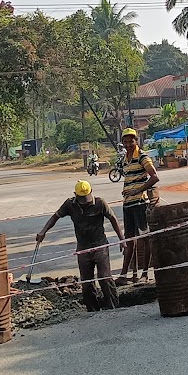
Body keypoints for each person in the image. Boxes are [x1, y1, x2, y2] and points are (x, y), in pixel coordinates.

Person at [34, 179, 123, 312]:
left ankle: (114, 308)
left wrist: (122, 239)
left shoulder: (100, 203)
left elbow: (113, 219)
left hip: (100, 245)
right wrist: (43, 231)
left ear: (91, 192)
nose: (85, 202)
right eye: (81, 199)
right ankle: (92, 310)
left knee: (104, 277)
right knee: (87, 282)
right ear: (75, 195)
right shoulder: (70, 205)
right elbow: (55, 217)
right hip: (83, 247)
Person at [117, 127, 159, 283]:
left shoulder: (142, 157)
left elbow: (154, 177)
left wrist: (138, 190)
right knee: (130, 240)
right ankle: (126, 274)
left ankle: (144, 274)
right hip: (128, 204)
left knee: (145, 238)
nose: (128, 144)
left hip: (140, 202)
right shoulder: (125, 159)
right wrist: (128, 191)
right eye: (126, 142)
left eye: (131, 141)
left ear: (136, 141)